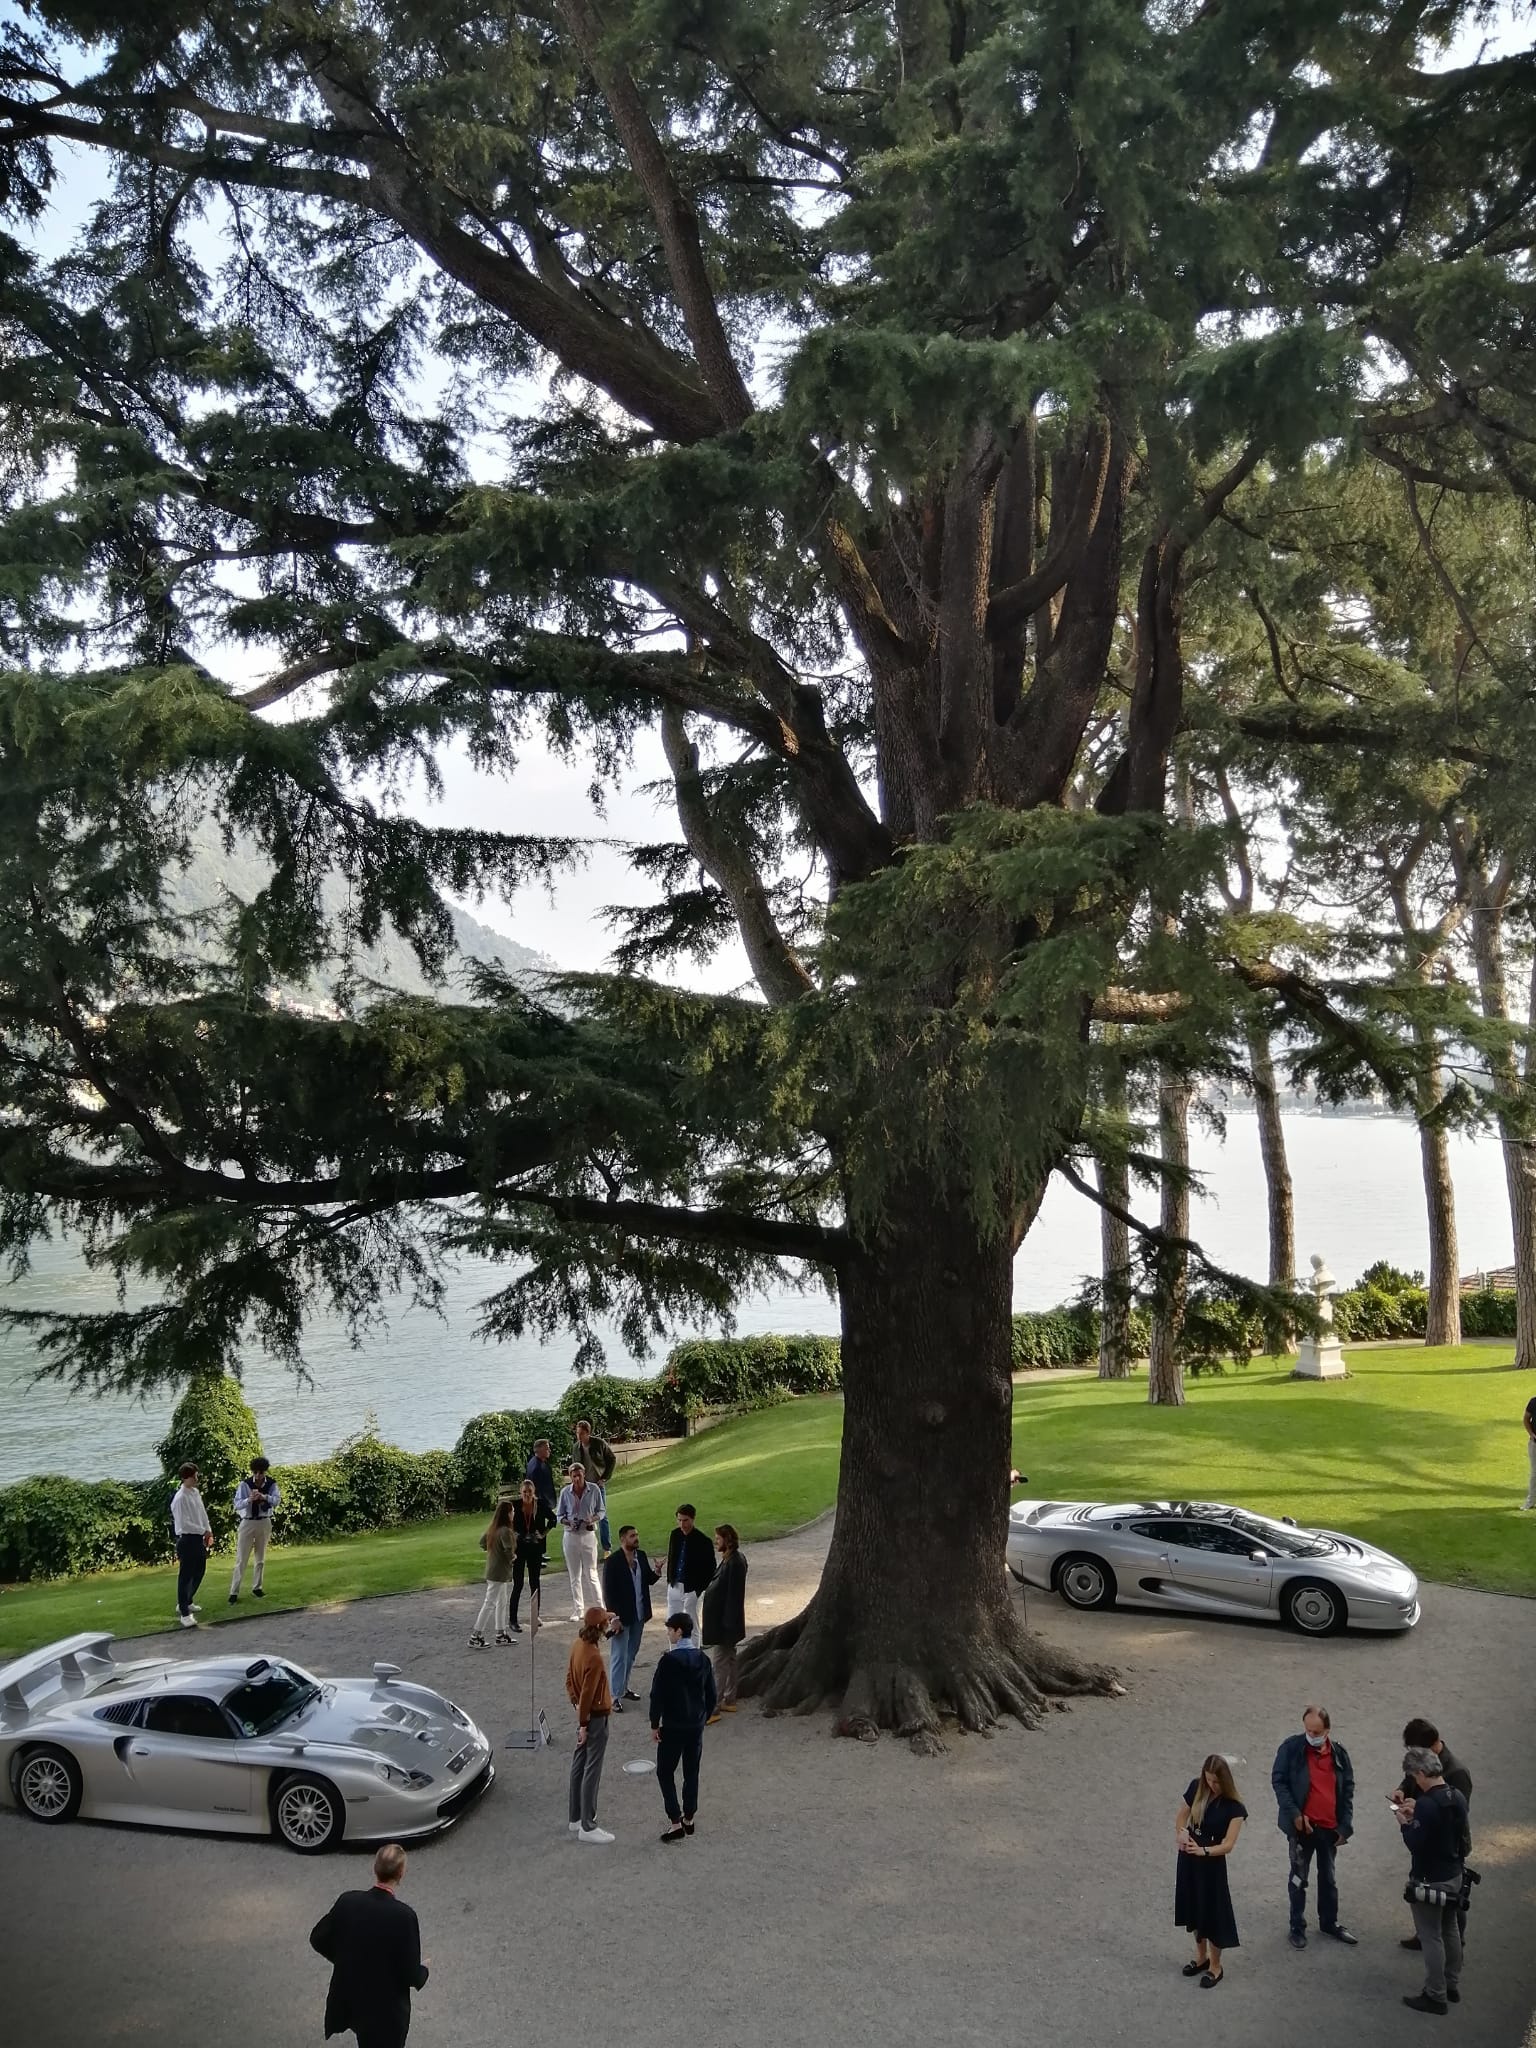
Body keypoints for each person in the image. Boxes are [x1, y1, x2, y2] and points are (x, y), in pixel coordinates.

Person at [310, 1841, 429, 2048]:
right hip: (384, 2009)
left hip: (352, 1997)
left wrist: (345, 1958)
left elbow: (318, 1938)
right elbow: (410, 1973)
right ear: (401, 1873)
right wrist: (424, 1970)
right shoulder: (403, 1916)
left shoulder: (347, 1901)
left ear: (375, 1868)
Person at [1393, 1744, 1471, 2015]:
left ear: (1421, 1773)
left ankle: (1435, 1995)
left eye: (1414, 1776)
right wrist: (1419, 1813)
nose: (1415, 1782)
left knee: (1430, 1936)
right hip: (1454, 1873)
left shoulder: (1427, 1804)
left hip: (1429, 1878)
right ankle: (1451, 1984)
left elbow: (1416, 1843)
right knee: (1451, 1929)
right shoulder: (1456, 1796)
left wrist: (1405, 1824)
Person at [1271, 1705, 1357, 1950]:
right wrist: (1295, 1814)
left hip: (1329, 1829)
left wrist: (1345, 1826)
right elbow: (1279, 1782)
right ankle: (1296, 1926)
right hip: (1303, 1829)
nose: (1311, 1735)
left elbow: (1347, 1789)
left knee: (1328, 1878)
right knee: (1299, 1878)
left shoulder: (1339, 1754)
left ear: (1327, 1730)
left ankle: (1329, 1922)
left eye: (1316, 1731)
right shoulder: (1291, 1749)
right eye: (1308, 1730)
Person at [1395, 1719, 1473, 1952]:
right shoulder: (1424, 1762)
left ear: (1431, 1746)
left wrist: (1420, 1809)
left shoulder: (1457, 1772)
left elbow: (1455, 1815)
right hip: (1425, 1832)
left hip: (1447, 1845)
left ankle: (1455, 1942)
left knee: (1451, 1900)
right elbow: (1411, 1777)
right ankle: (1425, 1932)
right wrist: (1402, 1790)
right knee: (1424, 1888)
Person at [1175, 1755, 1248, 1989]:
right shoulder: (1197, 1787)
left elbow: (1228, 1844)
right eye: (1208, 1780)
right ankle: (1201, 1957)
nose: (1211, 1785)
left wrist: (1204, 1851)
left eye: (1216, 1781)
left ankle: (1216, 1966)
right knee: (1194, 1908)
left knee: (1213, 1914)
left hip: (1212, 1865)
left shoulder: (1234, 1807)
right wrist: (1181, 1833)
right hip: (1189, 1858)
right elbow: (1182, 1815)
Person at [649, 1610, 717, 1842]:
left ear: (679, 1631)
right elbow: (711, 1694)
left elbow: (657, 1695)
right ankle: (689, 1817)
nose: (668, 1633)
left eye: (670, 1630)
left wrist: (654, 1723)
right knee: (691, 1771)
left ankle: (675, 1820)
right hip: (695, 1725)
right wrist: (703, 1717)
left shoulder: (668, 1661)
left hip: (673, 1725)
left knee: (665, 1771)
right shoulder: (703, 1659)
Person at [565, 1604, 615, 1843]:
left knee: (579, 1764)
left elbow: (569, 1680)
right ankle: (588, 1825)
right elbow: (588, 1693)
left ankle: (575, 1818)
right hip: (595, 1718)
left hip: (584, 1715)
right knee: (592, 1770)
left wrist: (576, 1706)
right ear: (601, 1626)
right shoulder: (594, 1657)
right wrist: (584, 1723)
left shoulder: (578, 1645)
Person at [601, 1522, 659, 1709]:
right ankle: (614, 1696)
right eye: (632, 1536)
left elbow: (647, 1579)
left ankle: (623, 1688)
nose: (636, 1538)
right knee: (619, 1656)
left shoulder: (641, 1556)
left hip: (639, 1615)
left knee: (631, 1654)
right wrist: (614, 1618)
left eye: (637, 1535)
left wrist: (657, 1572)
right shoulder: (612, 1561)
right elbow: (608, 1592)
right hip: (622, 1617)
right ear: (622, 1539)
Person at [700, 1522, 748, 1720]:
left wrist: (727, 1627)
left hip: (725, 1625)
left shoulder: (734, 1563)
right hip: (726, 1623)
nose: (716, 1542)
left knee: (719, 1664)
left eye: (718, 1539)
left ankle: (714, 1706)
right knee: (730, 1659)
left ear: (727, 1540)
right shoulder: (730, 1559)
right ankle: (730, 1698)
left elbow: (733, 1597)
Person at [228, 1455, 280, 1604]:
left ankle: (257, 1587)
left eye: (260, 1472)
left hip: (264, 1521)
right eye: (255, 1472)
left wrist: (264, 1497)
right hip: (248, 1522)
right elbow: (237, 1504)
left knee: (260, 1558)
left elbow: (276, 1501)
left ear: (265, 1472)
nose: (257, 1476)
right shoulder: (244, 1485)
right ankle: (234, 1592)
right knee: (241, 1559)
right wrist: (249, 1499)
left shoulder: (272, 1484)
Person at [557, 1461, 605, 1621]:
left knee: (591, 1573)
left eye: (579, 1475)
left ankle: (600, 1607)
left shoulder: (594, 1489)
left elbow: (602, 1511)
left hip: (588, 1534)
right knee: (574, 1575)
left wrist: (593, 1519)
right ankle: (578, 1609)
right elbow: (559, 1515)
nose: (576, 1479)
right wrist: (568, 1522)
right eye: (573, 1476)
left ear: (584, 1474)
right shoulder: (565, 1492)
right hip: (571, 1536)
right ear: (570, 1476)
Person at [469, 1496, 517, 1648]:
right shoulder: (506, 1531)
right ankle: (475, 1635)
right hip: (499, 1572)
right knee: (490, 1602)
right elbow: (508, 1550)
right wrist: (513, 1557)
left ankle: (500, 1633)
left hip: (494, 1570)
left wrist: (493, 1551)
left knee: (501, 1601)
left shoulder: (493, 1529)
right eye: (512, 1511)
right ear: (507, 1514)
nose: (513, 1513)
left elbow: (482, 1542)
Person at [170, 1463, 213, 1628]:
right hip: (187, 1539)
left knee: (200, 1570)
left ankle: (187, 1600)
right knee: (185, 1577)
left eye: (196, 1475)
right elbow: (184, 1524)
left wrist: (208, 1531)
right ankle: (184, 1613)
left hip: (198, 1538)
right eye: (194, 1476)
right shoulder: (180, 1498)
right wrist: (203, 1531)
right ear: (185, 1478)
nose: (196, 1479)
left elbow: (202, 1514)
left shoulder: (195, 1493)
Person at [510, 1477, 555, 1633]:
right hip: (519, 1549)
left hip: (535, 1548)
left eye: (529, 1492)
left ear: (534, 1492)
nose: (527, 1494)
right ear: (520, 1492)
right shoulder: (515, 1506)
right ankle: (513, 1619)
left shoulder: (540, 1505)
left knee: (535, 1583)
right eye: (524, 1492)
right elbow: (506, 1522)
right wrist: (514, 1534)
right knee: (518, 1584)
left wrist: (543, 1534)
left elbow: (553, 1519)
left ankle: (535, 1616)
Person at [664, 1502, 716, 1627]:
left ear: (693, 1519)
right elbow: (672, 1558)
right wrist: (670, 1580)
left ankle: (694, 1643)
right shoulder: (675, 1535)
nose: (682, 1524)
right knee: (672, 1625)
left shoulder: (703, 1541)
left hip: (691, 1589)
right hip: (674, 1585)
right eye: (679, 1520)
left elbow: (711, 1569)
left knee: (692, 1625)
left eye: (685, 1520)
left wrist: (698, 1591)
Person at [573, 1418, 617, 1554]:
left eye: (581, 1433)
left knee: (601, 1515)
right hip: (583, 1486)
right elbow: (575, 1466)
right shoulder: (576, 1448)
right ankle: (583, 1547)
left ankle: (606, 1548)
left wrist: (604, 1478)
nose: (579, 1436)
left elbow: (612, 1459)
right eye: (577, 1433)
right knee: (582, 1515)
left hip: (597, 1485)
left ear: (588, 1433)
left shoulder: (599, 1444)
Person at [525, 1438, 559, 1520]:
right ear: (539, 1450)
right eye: (547, 1448)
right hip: (540, 1504)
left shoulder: (539, 1462)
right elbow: (536, 1488)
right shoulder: (537, 1467)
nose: (549, 1450)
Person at [1523, 1389, 1536, 1509]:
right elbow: (1526, 1419)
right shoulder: (1534, 1402)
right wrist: (1531, 1434)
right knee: (1535, 1473)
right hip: (1535, 1444)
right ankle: (1530, 1501)